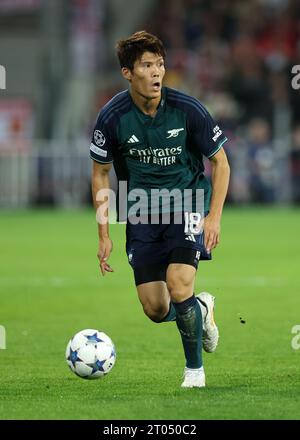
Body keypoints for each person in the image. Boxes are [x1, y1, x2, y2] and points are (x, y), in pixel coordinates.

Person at [90, 31, 230, 388]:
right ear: (127, 72)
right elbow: (101, 173)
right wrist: (104, 233)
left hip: (187, 204)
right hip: (141, 212)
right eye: (147, 65)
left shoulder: (187, 109)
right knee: (155, 308)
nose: (157, 73)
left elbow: (222, 163)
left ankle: (194, 371)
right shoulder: (112, 117)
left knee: (179, 285)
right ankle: (201, 311)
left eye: (161, 64)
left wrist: (213, 216)